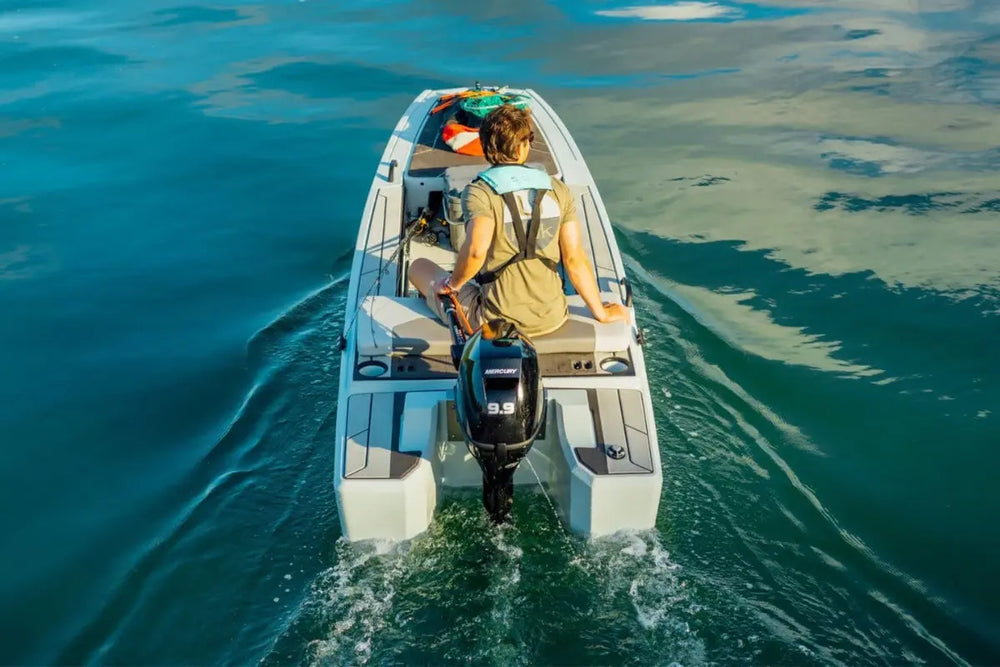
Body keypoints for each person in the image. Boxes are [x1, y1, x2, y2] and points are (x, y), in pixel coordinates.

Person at [408, 104, 628, 338]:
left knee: (419, 267)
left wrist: (452, 285)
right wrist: (601, 314)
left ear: (484, 147)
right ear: (525, 146)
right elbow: (574, 260)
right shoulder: (558, 189)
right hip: (553, 318)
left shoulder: (479, 193)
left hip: (494, 323)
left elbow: (475, 252)